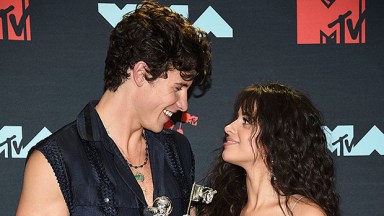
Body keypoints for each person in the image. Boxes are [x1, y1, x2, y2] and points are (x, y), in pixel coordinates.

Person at [16, 0, 211, 215]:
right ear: (141, 73)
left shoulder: (177, 151)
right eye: (178, 88)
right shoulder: (56, 162)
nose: (183, 104)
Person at [198, 83, 339, 216]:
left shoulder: (304, 213)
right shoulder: (224, 209)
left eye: (246, 121)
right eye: (237, 118)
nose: (228, 127)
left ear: (276, 138)